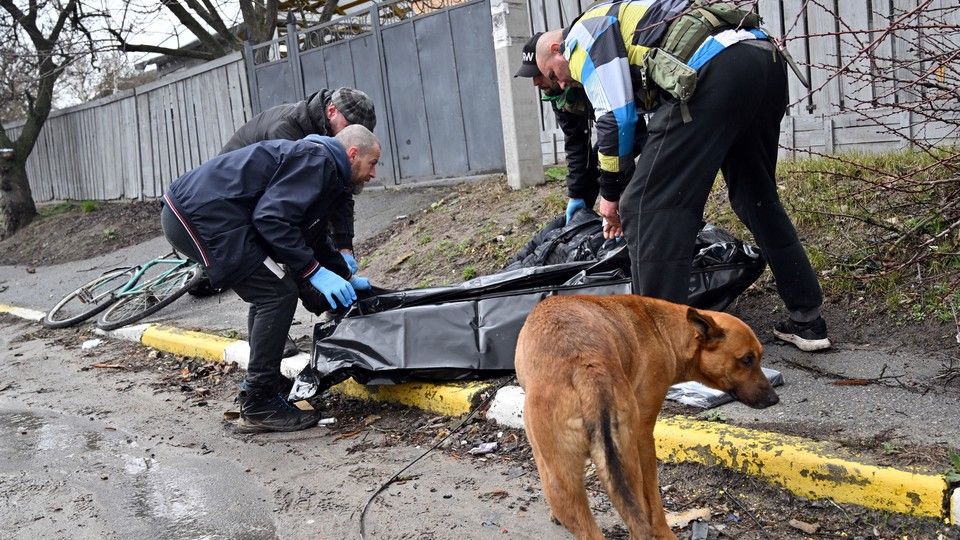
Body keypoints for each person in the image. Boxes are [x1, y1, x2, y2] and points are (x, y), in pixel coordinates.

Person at [535, 0, 831, 351]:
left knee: (647, 208)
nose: (561, 82)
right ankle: (807, 319)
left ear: (557, 48)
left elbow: (616, 118)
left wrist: (611, 196)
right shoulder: (621, 20)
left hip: (714, 70)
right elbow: (648, 133)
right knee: (756, 197)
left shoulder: (582, 37)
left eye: (553, 74)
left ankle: (663, 352)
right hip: (762, 60)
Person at [161, 125, 381, 431]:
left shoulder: (325, 168)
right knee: (275, 293)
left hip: (199, 212)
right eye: (372, 164)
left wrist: (342, 276)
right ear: (353, 154)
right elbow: (271, 218)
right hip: (200, 216)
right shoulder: (316, 162)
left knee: (271, 289)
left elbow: (312, 238)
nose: (373, 174)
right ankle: (257, 401)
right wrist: (314, 273)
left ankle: (266, 383)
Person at [221, 87, 378, 356]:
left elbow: (340, 194)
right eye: (349, 126)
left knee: (308, 249)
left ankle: (339, 310)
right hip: (236, 197)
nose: (350, 134)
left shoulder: (334, 144)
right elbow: (282, 215)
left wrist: (343, 251)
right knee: (270, 267)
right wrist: (316, 273)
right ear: (331, 111)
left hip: (270, 201)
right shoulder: (289, 132)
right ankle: (269, 338)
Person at [515, 33, 644, 225]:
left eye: (538, 74)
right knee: (593, 168)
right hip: (614, 128)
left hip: (633, 121)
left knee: (619, 172)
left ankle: (633, 218)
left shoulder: (582, 70)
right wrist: (577, 195)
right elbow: (576, 144)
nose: (535, 82)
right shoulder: (558, 95)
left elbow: (620, 126)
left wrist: (611, 195)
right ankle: (588, 222)